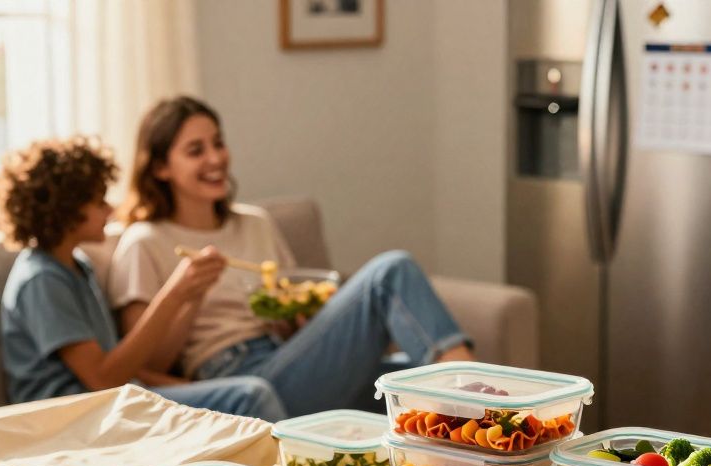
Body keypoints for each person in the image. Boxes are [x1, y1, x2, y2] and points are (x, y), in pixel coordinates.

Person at [108, 96, 474, 417]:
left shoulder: (255, 224)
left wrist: (301, 316)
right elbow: (147, 364)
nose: (216, 158)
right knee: (391, 271)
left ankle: (476, 426)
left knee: (413, 376)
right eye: (196, 150)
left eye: (218, 143)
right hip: (236, 379)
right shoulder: (145, 241)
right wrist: (188, 296)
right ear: (160, 168)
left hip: (287, 359)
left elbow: (287, 306)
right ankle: (480, 405)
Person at [0, 136, 288, 421]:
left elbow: (121, 366)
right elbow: (102, 378)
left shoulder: (76, 266)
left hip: (113, 401)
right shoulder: (41, 280)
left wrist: (186, 388)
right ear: (66, 212)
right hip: (74, 417)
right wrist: (176, 294)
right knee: (251, 396)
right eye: (99, 203)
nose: (110, 210)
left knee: (243, 393)